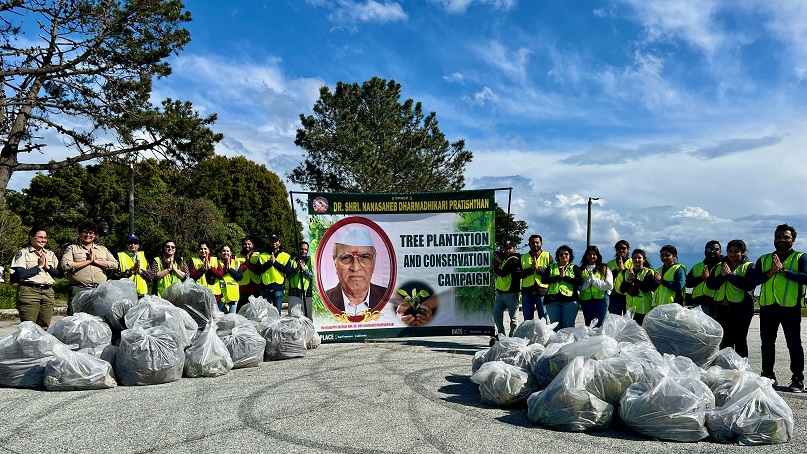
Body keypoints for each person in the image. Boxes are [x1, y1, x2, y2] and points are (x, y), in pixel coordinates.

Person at [751, 223, 807, 392]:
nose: (781, 240)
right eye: (778, 237)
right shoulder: (765, 259)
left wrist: (783, 271)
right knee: (767, 343)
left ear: (793, 240)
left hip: (790, 307)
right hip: (768, 307)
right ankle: (768, 375)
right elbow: (754, 281)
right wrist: (770, 272)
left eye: (785, 237)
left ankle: (797, 379)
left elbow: (805, 278)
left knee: (793, 343)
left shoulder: (801, 257)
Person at [705, 239, 755, 358]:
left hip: (742, 310)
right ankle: (727, 367)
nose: (732, 254)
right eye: (730, 251)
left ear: (742, 252)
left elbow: (749, 285)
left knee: (740, 340)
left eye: (736, 251)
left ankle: (742, 369)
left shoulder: (749, 266)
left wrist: (730, 276)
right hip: (721, 309)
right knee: (726, 341)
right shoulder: (719, 266)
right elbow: (711, 284)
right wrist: (722, 276)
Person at [324, 226, 388, 314]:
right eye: (346, 258)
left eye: (364, 257)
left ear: (374, 261)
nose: (355, 268)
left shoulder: (388, 297)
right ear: (335, 262)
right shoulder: (324, 301)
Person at [61, 220, 118, 315]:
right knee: (76, 319)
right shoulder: (72, 248)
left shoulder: (102, 249)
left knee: (99, 319)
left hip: (99, 290)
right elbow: (65, 265)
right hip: (79, 289)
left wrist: (96, 261)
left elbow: (115, 264)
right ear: (79, 234)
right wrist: (87, 261)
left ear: (95, 235)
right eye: (85, 232)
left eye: (91, 233)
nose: (88, 235)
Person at [10, 227, 60, 328]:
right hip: (29, 292)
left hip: (47, 292)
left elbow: (59, 274)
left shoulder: (50, 254)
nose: (43, 240)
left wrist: (48, 267)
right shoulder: (23, 253)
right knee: (28, 328)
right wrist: (39, 267)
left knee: (44, 327)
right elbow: (21, 274)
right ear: (31, 237)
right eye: (40, 237)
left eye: (45, 238)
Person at [542, 244, 582, 330]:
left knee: (568, 325)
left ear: (570, 256)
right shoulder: (551, 267)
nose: (564, 256)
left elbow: (579, 281)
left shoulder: (574, 268)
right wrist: (558, 277)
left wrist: (565, 278)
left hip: (570, 301)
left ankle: (568, 343)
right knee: (555, 326)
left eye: (566, 254)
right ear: (558, 256)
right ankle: (556, 343)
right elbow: (544, 280)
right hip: (553, 301)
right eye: (561, 254)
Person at [518, 234, 552, 320]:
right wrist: (531, 269)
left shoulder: (547, 256)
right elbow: (518, 274)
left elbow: (551, 273)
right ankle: (529, 334)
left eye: (537, 242)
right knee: (528, 319)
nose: (535, 244)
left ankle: (544, 334)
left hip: (542, 291)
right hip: (527, 291)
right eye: (533, 243)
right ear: (529, 244)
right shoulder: (523, 257)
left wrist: (538, 269)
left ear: (541, 244)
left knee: (544, 318)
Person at [258, 234, 295, 315]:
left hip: (278, 288)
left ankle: (276, 328)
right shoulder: (262, 255)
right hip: (265, 288)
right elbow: (258, 270)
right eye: (272, 241)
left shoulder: (286, 256)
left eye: (276, 241)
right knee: (264, 314)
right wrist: (269, 263)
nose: (273, 243)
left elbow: (289, 271)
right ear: (269, 242)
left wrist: (275, 263)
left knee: (276, 314)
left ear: (279, 243)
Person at [491, 240, 521, 337]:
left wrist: (495, 267)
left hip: (512, 292)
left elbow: (503, 273)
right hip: (501, 293)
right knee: (496, 312)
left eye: (509, 248)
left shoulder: (514, 259)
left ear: (514, 249)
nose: (507, 250)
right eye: (505, 248)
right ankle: (501, 334)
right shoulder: (506, 259)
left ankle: (512, 337)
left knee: (513, 318)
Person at [579, 245, 613, 327]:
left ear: (597, 256)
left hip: (601, 300)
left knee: (600, 324)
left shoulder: (604, 268)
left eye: (594, 254)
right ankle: (590, 340)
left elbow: (609, 285)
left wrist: (594, 281)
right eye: (589, 254)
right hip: (586, 300)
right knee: (588, 324)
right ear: (586, 256)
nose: (592, 256)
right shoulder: (581, 269)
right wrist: (588, 281)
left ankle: (599, 340)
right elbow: (579, 287)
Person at [618, 249, 655, 325]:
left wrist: (634, 279)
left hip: (643, 309)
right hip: (630, 309)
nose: (636, 260)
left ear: (644, 260)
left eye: (639, 258)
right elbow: (622, 290)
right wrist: (628, 280)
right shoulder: (627, 273)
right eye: (634, 258)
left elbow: (646, 288)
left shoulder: (648, 272)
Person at [686, 240, 723, 316]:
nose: (712, 251)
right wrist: (702, 278)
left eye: (715, 249)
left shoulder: (723, 266)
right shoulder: (697, 266)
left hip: (716, 304)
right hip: (697, 304)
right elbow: (687, 283)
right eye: (709, 249)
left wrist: (708, 278)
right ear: (705, 251)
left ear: (720, 251)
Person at [189, 240, 225, 311]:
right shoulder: (193, 261)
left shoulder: (215, 260)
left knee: (214, 317)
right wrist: (203, 269)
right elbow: (193, 277)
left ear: (209, 250)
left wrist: (210, 268)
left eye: (205, 249)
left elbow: (221, 275)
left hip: (214, 295)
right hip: (199, 294)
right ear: (198, 250)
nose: (203, 251)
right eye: (201, 249)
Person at [288, 241, 314, 318]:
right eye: (301, 249)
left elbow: (314, 277)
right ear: (298, 250)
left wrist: (304, 269)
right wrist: (296, 269)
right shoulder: (291, 261)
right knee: (293, 316)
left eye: (306, 250)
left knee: (309, 316)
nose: (303, 251)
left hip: (307, 293)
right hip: (294, 293)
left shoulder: (311, 261)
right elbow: (288, 275)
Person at [236, 236, 261, 311]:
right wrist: (245, 265)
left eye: (249, 244)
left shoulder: (258, 255)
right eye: (245, 244)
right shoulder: (236, 256)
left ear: (253, 245)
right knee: (240, 310)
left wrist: (249, 265)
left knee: (256, 310)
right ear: (241, 245)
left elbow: (260, 269)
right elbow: (236, 270)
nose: (247, 246)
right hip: (243, 287)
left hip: (256, 286)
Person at [607, 240, 632, 316]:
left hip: (629, 295)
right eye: (618, 248)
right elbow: (607, 279)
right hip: (614, 296)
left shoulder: (633, 262)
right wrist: (617, 270)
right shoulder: (610, 264)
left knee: (627, 320)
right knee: (615, 320)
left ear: (628, 249)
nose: (621, 250)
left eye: (623, 248)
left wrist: (624, 270)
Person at [219, 244, 243, 314]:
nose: (225, 253)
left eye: (227, 251)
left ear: (231, 253)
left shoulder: (236, 263)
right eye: (223, 251)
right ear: (221, 253)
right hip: (221, 294)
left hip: (233, 294)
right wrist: (224, 269)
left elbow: (240, 277)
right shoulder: (217, 263)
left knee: (232, 317)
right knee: (220, 317)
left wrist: (230, 269)